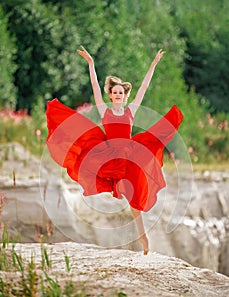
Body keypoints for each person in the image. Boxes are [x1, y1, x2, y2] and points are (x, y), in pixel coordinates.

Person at [46, 46, 183, 255]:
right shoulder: (104, 110)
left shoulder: (130, 111)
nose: (118, 95)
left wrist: (153, 64)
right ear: (110, 95)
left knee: (133, 196)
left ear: (125, 95)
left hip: (129, 156)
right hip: (108, 156)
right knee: (91, 162)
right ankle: (113, 193)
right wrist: (91, 64)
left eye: (121, 93)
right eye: (114, 93)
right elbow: (94, 85)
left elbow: (144, 87)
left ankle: (142, 236)